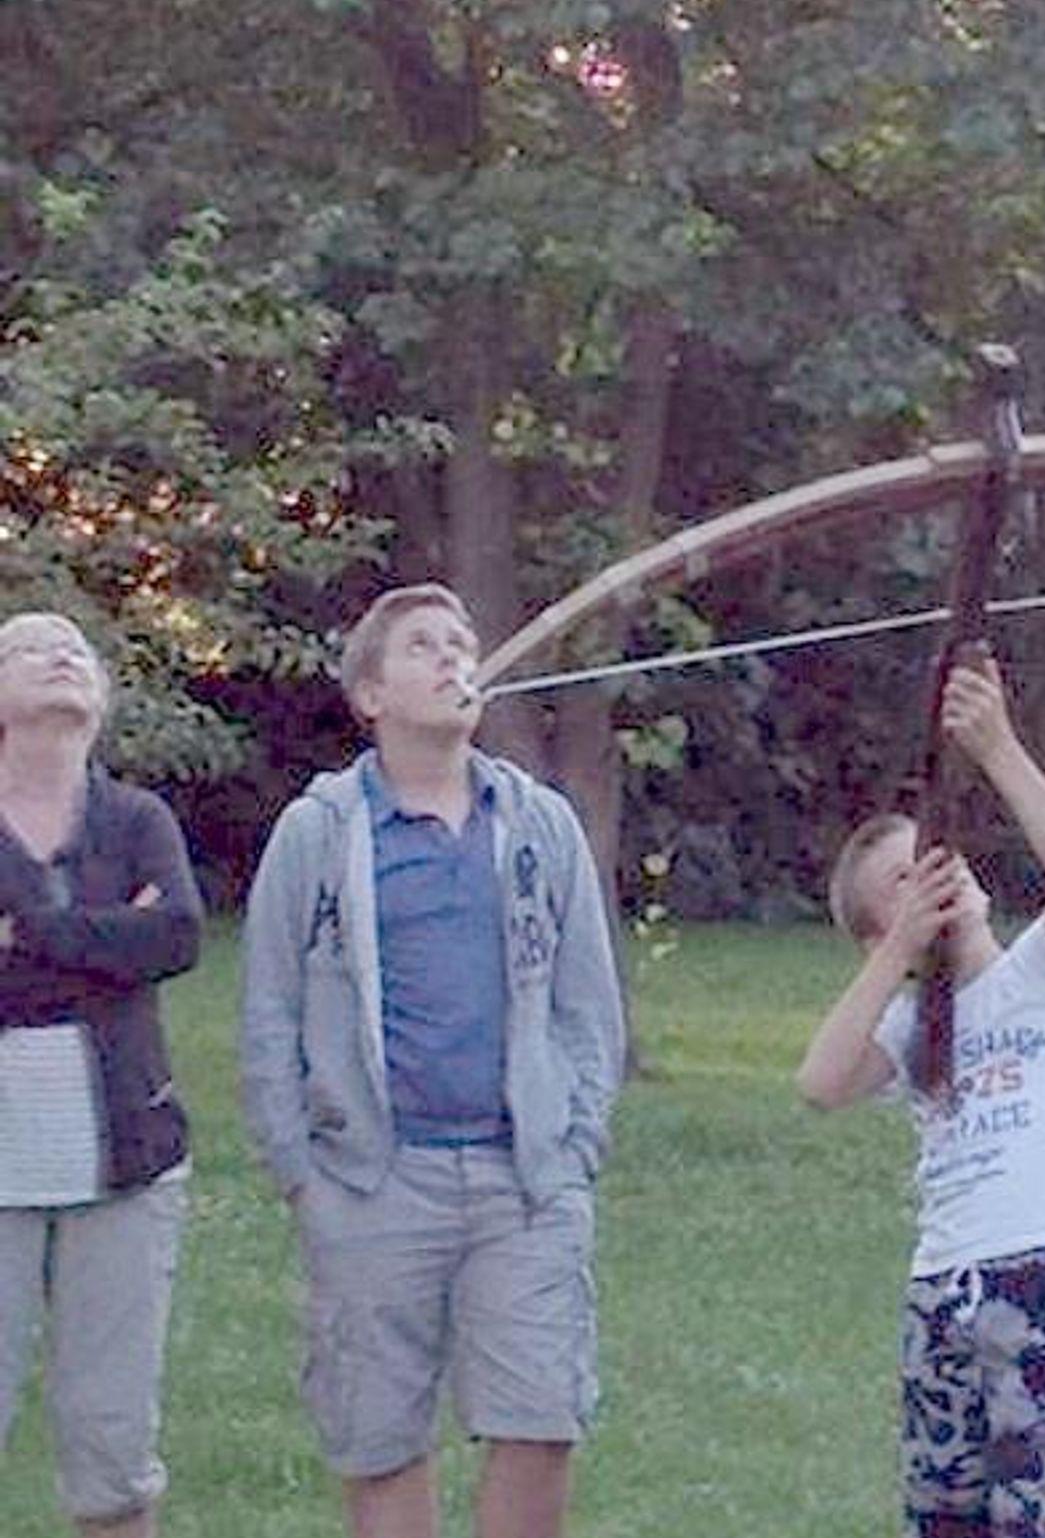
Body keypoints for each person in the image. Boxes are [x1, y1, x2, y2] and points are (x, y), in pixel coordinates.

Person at [240, 583, 625, 1538]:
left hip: (524, 1180)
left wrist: (573, 1148)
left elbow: (588, 1007)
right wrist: (304, 1178)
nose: (454, 656)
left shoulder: (539, 825)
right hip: (373, 1181)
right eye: (422, 645)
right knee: (381, 1439)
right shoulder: (320, 832)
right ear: (370, 695)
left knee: (540, 1421)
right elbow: (268, 1013)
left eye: (462, 641)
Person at [797, 654, 1045, 1538]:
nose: (932, 878)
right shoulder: (910, 1025)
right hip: (943, 1284)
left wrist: (996, 746)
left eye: (934, 855)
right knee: (944, 1514)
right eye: (902, 881)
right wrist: (898, 951)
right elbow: (820, 1083)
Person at [0, 612, 203, 1538]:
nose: (61, 656)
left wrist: (32, 935)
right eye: (30, 647)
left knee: (112, 1450)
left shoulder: (137, 820)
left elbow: (177, 936)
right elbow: (136, 943)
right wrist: (108, 943)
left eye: (76, 649)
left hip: (126, 1167)